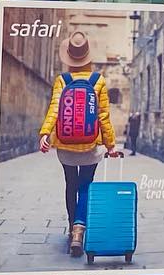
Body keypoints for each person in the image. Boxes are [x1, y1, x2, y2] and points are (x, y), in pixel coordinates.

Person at [38, 28, 117, 258]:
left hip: (65, 145)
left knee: (70, 185)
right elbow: (103, 116)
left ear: (69, 57)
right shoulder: (98, 80)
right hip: (91, 146)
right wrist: (110, 145)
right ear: (88, 56)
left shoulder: (62, 80)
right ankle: (79, 231)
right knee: (86, 186)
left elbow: (55, 108)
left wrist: (45, 133)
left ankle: (72, 225)